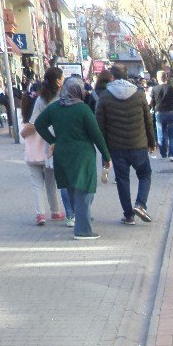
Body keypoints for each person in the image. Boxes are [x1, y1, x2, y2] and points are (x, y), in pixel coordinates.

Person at [34, 76, 111, 240]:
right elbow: (96, 135)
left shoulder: (54, 107)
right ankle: (83, 231)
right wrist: (106, 156)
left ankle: (81, 220)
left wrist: (53, 140)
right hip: (82, 155)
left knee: (71, 190)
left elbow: (39, 124)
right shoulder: (82, 109)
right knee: (85, 191)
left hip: (62, 155)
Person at [96, 62, 156, 225]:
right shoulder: (138, 94)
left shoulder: (105, 96)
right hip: (138, 144)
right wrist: (151, 142)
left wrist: (104, 151)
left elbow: (100, 124)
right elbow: (147, 120)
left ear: (112, 76)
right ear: (127, 74)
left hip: (116, 147)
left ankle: (129, 215)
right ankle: (140, 204)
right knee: (145, 174)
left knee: (122, 180)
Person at [20, 75, 66, 226]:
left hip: (32, 155)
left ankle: (40, 214)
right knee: (51, 183)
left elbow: (25, 133)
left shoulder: (28, 118)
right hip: (47, 152)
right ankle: (56, 211)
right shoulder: (48, 113)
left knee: (36, 184)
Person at [152, 72, 173, 161]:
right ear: (166, 78)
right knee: (172, 134)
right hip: (170, 112)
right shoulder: (171, 88)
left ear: (157, 78)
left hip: (159, 113)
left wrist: (153, 108)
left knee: (160, 134)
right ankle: (171, 155)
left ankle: (163, 154)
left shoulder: (154, 88)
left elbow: (151, 102)